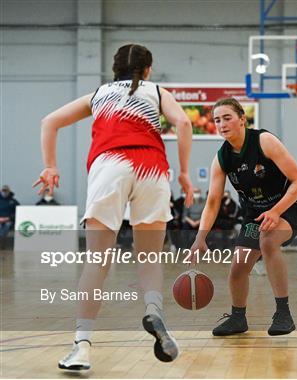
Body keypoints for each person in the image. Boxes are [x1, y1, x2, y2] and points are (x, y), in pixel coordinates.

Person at [33, 44, 194, 371]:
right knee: (149, 258)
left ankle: (82, 346)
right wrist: (187, 174)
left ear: (114, 69)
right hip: (152, 170)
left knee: (97, 263)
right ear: (148, 70)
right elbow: (185, 124)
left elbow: (49, 121)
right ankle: (153, 311)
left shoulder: (99, 94)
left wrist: (50, 166)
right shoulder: (158, 91)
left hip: (110, 167)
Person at [189, 97, 297, 337]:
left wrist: (275, 211)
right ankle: (237, 318)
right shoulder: (221, 158)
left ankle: (283, 313)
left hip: (290, 207)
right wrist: (200, 238)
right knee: (238, 267)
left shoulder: (264, 141)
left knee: (268, 240)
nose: (222, 124)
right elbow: (212, 203)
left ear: (242, 119)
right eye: (217, 120)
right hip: (255, 214)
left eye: (227, 118)